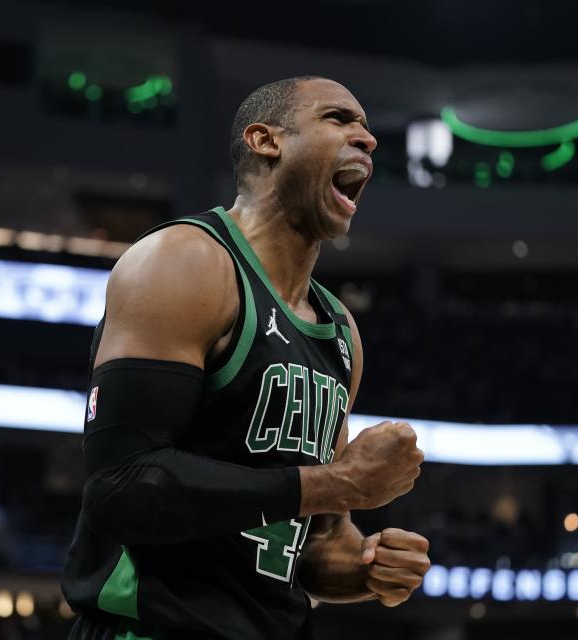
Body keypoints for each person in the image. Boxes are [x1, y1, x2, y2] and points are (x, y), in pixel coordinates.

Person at [62, 76, 430, 640]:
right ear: (265, 140)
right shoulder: (184, 262)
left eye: (368, 127)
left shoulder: (340, 333)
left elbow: (315, 545)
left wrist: (365, 567)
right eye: (340, 119)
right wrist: (337, 484)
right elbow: (121, 488)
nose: (368, 139)